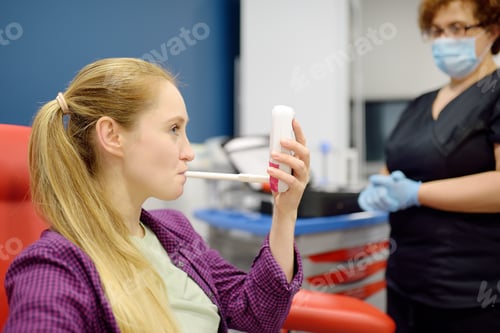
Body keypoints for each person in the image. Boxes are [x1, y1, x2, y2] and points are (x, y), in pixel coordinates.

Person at [3, 57, 310, 333]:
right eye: (174, 129)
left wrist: (285, 212)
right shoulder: (54, 265)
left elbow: (256, 314)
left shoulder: (176, 231)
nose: (189, 153)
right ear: (112, 136)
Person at [357, 1, 500, 332]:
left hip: (470, 294)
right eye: (436, 31)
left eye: (457, 28)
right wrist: (379, 189)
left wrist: (417, 193)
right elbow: (393, 166)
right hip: (404, 283)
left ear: (492, 31)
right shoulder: (418, 104)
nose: (444, 39)